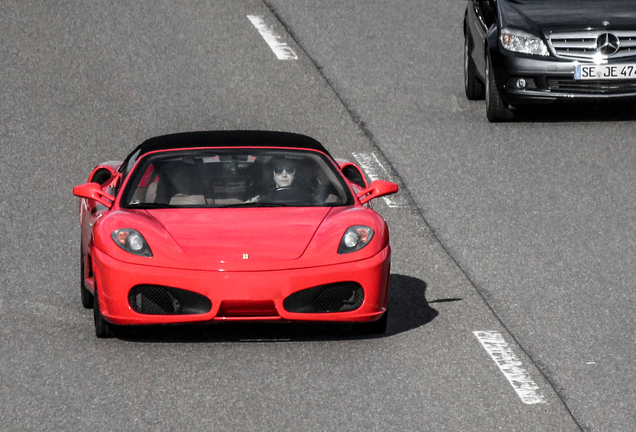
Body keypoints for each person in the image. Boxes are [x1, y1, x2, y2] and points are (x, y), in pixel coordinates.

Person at [247, 157, 319, 204]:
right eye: (278, 170)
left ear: (296, 173)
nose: (284, 175)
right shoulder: (260, 198)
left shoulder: (308, 197)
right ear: (271, 173)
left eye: (290, 170)